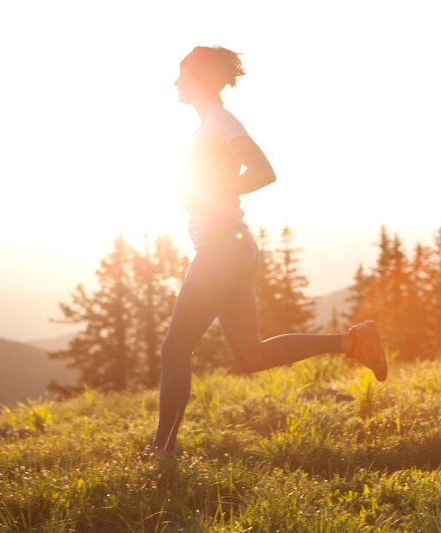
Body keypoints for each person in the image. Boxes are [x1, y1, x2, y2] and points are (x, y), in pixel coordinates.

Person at [152, 46, 387, 458]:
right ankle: (354, 343)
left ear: (201, 79)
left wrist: (211, 192)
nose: (175, 81)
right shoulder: (209, 125)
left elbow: (263, 171)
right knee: (250, 355)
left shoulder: (221, 122)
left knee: (175, 348)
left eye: (182, 74)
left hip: (224, 250)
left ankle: (162, 452)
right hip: (232, 248)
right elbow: (210, 185)